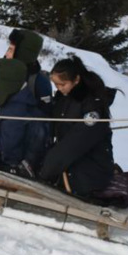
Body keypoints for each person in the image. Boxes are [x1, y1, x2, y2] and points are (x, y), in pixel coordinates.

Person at [39, 56, 117, 196]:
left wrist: (46, 170)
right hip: (71, 163)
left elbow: (74, 143)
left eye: (63, 84)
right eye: (56, 85)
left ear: (76, 80)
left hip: (91, 173)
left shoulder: (92, 108)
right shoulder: (65, 98)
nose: (59, 89)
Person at [0, 58, 48, 177]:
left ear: (7, 81)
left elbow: (3, 144)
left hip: (10, 164)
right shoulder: (10, 97)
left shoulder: (17, 109)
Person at [5, 28, 53, 114]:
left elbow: (44, 115)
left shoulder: (40, 82)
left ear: (22, 54)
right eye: (8, 49)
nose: (6, 54)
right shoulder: (4, 72)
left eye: (11, 50)